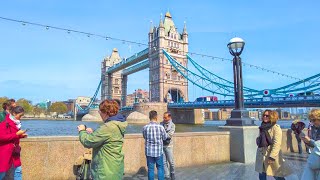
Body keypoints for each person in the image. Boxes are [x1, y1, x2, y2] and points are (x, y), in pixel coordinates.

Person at [78, 99, 128, 180]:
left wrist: (82, 131)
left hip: (105, 171)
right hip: (115, 167)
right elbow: (109, 138)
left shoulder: (108, 127)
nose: (99, 113)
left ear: (106, 112)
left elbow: (88, 142)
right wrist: (94, 133)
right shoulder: (118, 124)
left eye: (100, 111)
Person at [255, 110, 291, 180]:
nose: (265, 117)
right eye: (264, 115)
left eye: (267, 116)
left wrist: (272, 157)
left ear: (272, 117)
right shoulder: (262, 127)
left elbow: (277, 144)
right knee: (262, 175)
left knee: (277, 175)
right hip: (261, 155)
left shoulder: (276, 128)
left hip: (271, 155)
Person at [0, 106, 27, 180]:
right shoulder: (4, 124)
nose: (20, 118)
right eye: (20, 115)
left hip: (14, 152)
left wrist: (20, 136)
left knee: (18, 171)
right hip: (6, 152)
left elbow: (12, 136)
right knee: (2, 173)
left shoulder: (16, 123)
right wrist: (17, 134)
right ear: (14, 113)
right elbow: (1, 138)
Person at [143, 110, 168, 180]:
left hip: (149, 152)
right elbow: (165, 137)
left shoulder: (145, 127)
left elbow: (144, 137)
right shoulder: (161, 127)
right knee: (160, 168)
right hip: (159, 152)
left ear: (149, 117)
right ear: (156, 117)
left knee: (151, 170)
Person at [301, 109, 320, 180]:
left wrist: (310, 141)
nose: (312, 122)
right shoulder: (314, 128)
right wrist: (307, 141)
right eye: (311, 120)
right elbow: (315, 145)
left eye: (314, 120)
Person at [160, 112, 176, 180]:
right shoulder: (161, 124)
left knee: (171, 162)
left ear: (169, 117)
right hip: (162, 145)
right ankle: (167, 176)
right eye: (164, 117)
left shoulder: (172, 125)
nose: (164, 119)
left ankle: (172, 173)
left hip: (169, 146)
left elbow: (170, 135)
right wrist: (164, 135)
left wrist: (162, 135)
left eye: (165, 117)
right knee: (164, 162)